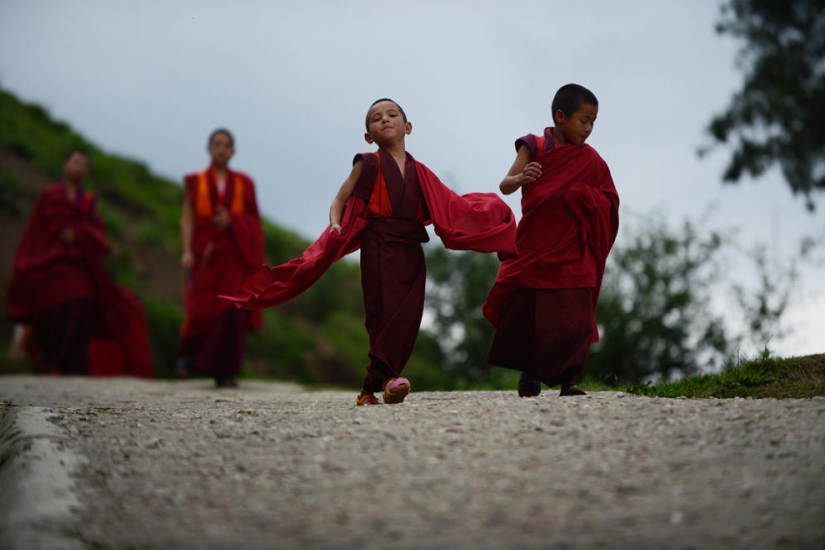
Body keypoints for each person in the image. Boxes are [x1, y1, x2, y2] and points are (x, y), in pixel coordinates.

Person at [221, 98, 518, 405]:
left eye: (392, 115)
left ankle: (369, 389)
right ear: (368, 136)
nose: (385, 120)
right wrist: (335, 223)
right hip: (378, 246)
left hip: (411, 249)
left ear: (408, 127)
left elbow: (452, 205)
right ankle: (389, 381)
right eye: (376, 119)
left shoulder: (422, 172)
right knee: (383, 314)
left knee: (408, 317)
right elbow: (339, 199)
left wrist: (491, 214)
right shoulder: (367, 162)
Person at [483, 84, 620, 397]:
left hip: (574, 248)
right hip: (536, 243)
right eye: (583, 120)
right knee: (531, 311)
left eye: (593, 122)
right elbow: (506, 184)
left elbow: (609, 199)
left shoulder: (592, 160)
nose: (588, 129)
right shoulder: (536, 145)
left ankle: (569, 379)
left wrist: (585, 197)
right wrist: (522, 178)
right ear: (560, 116)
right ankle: (530, 373)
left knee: (574, 312)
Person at [6, 150, 146, 375]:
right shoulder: (50, 195)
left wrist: (78, 234)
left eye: (83, 165)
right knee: (48, 308)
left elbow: (99, 236)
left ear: (87, 171)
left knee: (82, 302)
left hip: (78, 265)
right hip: (51, 260)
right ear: (65, 165)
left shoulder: (89, 202)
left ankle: (71, 363)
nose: (79, 168)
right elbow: (36, 230)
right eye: (75, 162)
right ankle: (47, 353)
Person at [177, 129, 265, 388]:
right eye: (217, 144)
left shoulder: (244, 183)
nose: (222, 149)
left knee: (232, 309)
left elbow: (253, 221)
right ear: (209, 148)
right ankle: (188, 357)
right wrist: (187, 251)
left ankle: (225, 371)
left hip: (233, 257)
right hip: (205, 254)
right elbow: (188, 218)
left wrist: (232, 220)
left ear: (233, 151)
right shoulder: (196, 181)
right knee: (200, 308)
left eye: (227, 145)